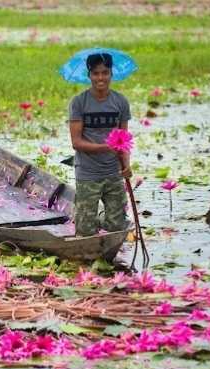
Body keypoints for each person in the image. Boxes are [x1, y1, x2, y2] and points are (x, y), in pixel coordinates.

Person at [68, 53, 132, 237]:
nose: (100, 78)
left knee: (117, 226)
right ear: (89, 75)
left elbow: (124, 140)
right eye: (95, 73)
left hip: (113, 171)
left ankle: (99, 215)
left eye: (105, 72)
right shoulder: (79, 102)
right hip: (88, 173)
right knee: (86, 231)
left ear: (111, 73)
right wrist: (105, 147)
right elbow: (76, 142)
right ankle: (88, 219)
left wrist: (126, 165)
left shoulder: (120, 102)